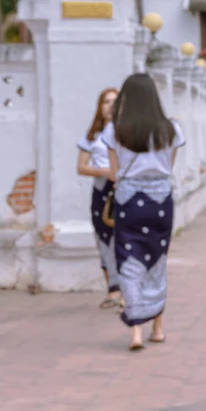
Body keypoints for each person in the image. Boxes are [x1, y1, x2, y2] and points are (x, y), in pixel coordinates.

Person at [103, 73, 185, 351]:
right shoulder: (171, 129)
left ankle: (136, 330)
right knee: (157, 262)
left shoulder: (115, 131)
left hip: (129, 202)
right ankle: (158, 328)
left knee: (129, 262)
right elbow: (169, 167)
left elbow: (115, 173)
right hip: (160, 202)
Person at [77, 88, 122, 309]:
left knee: (123, 239)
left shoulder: (127, 133)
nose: (110, 106)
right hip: (101, 191)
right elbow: (81, 167)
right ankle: (112, 289)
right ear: (100, 106)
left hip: (123, 189)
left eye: (115, 102)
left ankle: (126, 290)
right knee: (104, 238)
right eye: (106, 101)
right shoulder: (92, 136)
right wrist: (105, 172)